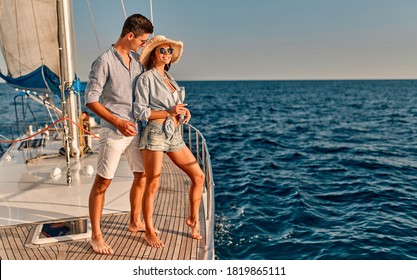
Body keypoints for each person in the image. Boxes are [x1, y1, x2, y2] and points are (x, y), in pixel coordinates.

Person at [84, 14, 153, 255]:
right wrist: (117, 121)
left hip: (137, 130)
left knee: (142, 174)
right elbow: (90, 99)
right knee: (103, 183)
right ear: (130, 35)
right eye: (143, 40)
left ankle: (134, 221)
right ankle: (96, 236)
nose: (144, 45)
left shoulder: (136, 61)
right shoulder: (104, 61)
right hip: (114, 131)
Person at [134, 35, 205, 248]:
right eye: (162, 50)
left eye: (169, 51)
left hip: (174, 133)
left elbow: (174, 107)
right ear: (153, 53)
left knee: (199, 176)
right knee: (153, 182)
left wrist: (182, 112)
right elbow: (140, 112)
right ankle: (148, 230)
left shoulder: (170, 79)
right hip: (155, 133)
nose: (166, 54)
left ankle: (192, 218)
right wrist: (169, 111)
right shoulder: (145, 78)